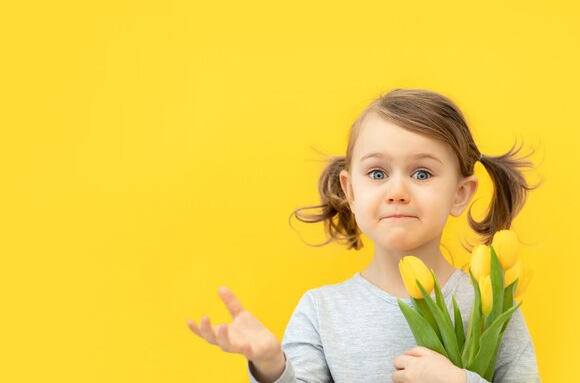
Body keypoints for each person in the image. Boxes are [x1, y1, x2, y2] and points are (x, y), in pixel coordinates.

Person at [186, 88, 542, 383]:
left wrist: (458, 381)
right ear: (350, 191)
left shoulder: (491, 306)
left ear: (460, 194)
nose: (397, 190)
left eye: (421, 174)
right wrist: (269, 367)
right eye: (376, 173)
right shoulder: (322, 311)